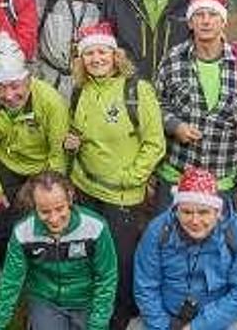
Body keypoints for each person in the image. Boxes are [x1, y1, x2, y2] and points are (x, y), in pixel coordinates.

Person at [66, 22, 166, 330]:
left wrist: (130, 177)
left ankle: (122, 317)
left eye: (102, 52)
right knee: (92, 254)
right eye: (89, 53)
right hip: (86, 189)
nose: (96, 59)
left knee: (122, 262)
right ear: (81, 59)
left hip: (122, 195)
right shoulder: (80, 90)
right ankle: (95, 309)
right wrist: (72, 141)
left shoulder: (136, 90)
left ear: (115, 54)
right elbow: (77, 131)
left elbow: (154, 143)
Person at [153, 0, 237, 209]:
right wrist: (174, 125)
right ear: (190, 22)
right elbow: (155, 104)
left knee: (218, 243)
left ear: (223, 22)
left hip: (222, 181)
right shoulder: (173, 59)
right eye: (199, 15)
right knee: (168, 241)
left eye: (212, 15)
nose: (206, 21)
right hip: (175, 176)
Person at [0, 32, 69, 257]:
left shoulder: (51, 102)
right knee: (0, 219)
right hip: (7, 162)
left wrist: (49, 189)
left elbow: (57, 153)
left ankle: (44, 262)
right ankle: (8, 266)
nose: (9, 95)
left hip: (43, 166)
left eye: (15, 86)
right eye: (1, 87)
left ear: (28, 80)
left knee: (44, 215)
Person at [133, 166, 237, 330]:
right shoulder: (158, 230)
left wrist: (197, 327)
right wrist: (161, 326)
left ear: (217, 211)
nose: (195, 221)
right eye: (187, 212)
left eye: (203, 212)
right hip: (167, 316)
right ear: (176, 210)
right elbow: (145, 285)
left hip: (218, 317)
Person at [0, 171, 118, 330]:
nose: (54, 219)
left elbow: (106, 278)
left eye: (60, 208)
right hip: (45, 300)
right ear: (34, 206)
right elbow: (10, 282)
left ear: (70, 197)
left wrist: (98, 324)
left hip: (86, 300)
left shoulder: (96, 227)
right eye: (44, 212)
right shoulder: (22, 232)